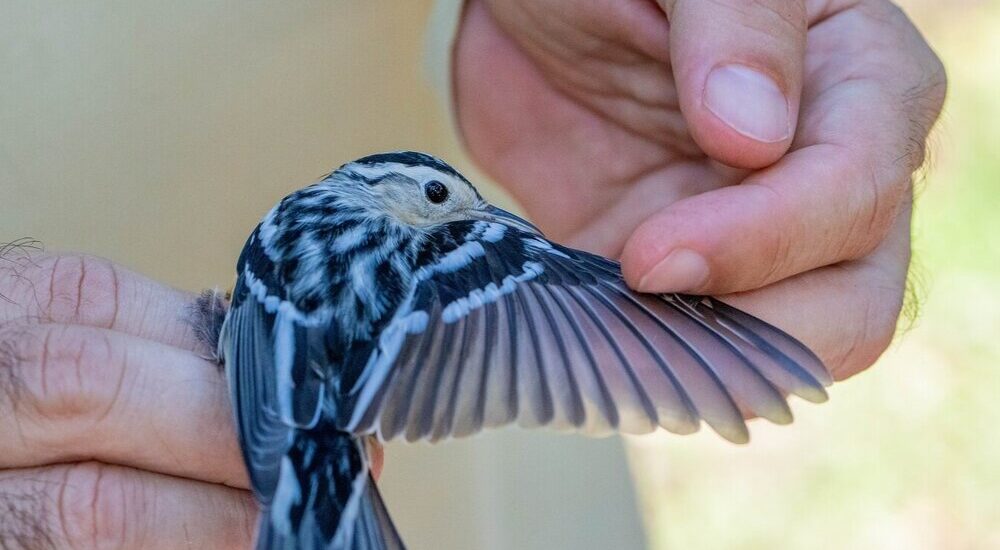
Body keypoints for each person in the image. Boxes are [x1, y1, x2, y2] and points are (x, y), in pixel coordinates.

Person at [0, 0, 944, 547]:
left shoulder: (294, 228)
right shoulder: (455, 255)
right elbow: (541, 292)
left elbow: (250, 321)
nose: (475, 217)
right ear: (397, 196)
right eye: (450, 204)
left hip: (301, 444)